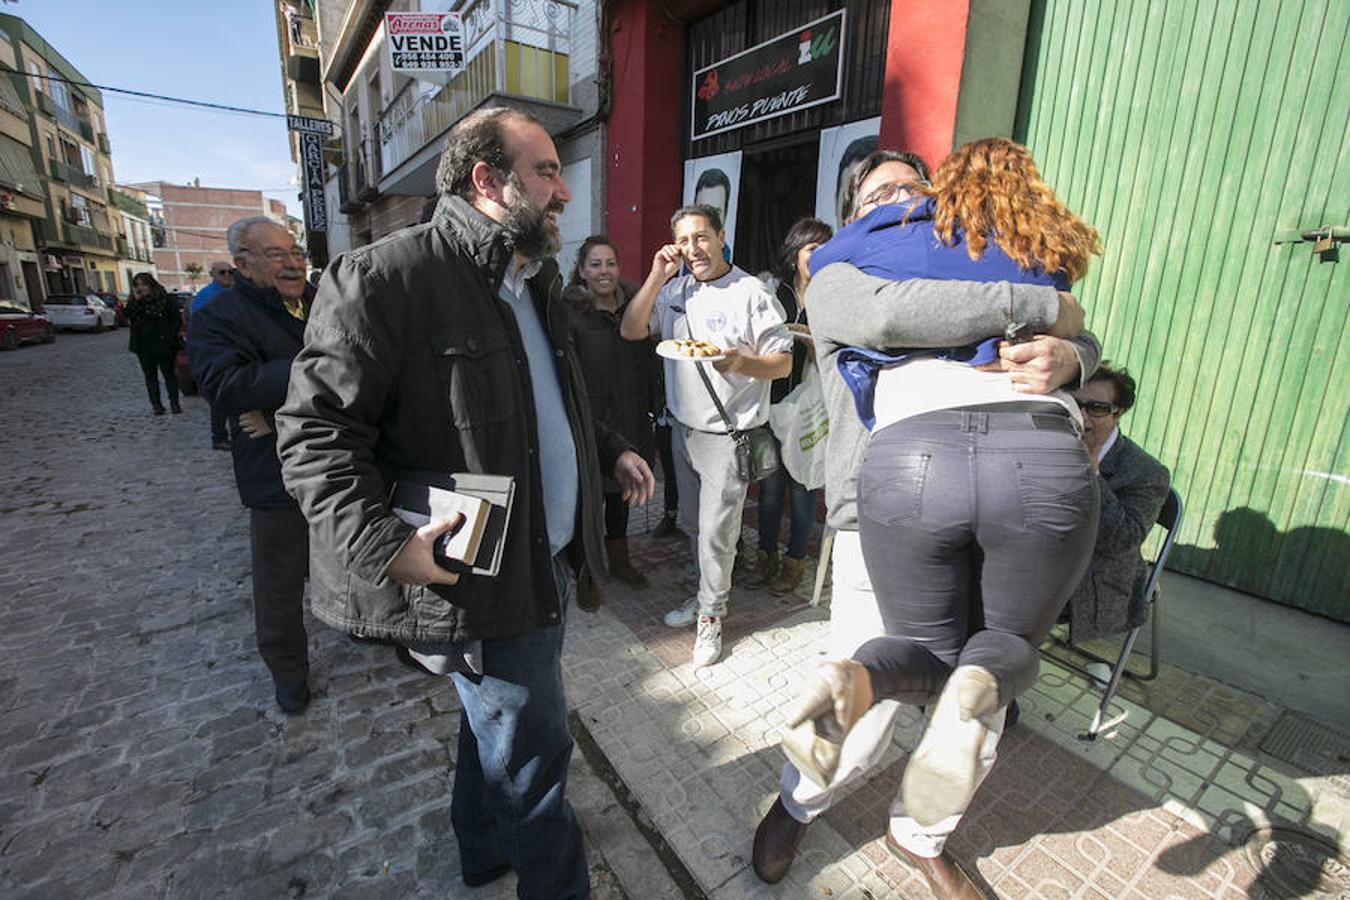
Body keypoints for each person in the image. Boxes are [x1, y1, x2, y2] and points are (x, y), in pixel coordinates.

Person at [275, 106, 654, 898]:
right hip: (478, 580)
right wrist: (382, 543)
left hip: (543, 561)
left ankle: (481, 849)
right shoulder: (388, 277)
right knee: (537, 770)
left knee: (502, 732)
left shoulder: (534, 279)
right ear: (489, 181)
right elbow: (313, 435)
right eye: (546, 172)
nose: (561, 192)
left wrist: (611, 447)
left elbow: (561, 395)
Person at [752, 147, 1102, 899]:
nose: (901, 198)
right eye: (880, 192)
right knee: (872, 717)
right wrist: (1048, 308)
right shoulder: (841, 273)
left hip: (996, 479)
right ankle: (795, 802)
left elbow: (1081, 335)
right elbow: (889, 315)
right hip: (880, 505)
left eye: (915, 186)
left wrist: (1072, 352)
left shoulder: (967, 246)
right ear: (854, 216)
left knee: (979, 700)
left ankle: (920, 834)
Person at [620, 204, 792, 667]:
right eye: (684, 240)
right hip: (682, 431)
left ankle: (712, 617)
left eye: (701, 237)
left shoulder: (750, 292)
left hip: (727, 435)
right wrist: (656, 276)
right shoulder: (675, 290)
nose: (693, 248)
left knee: (718, 534)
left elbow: (784, 362)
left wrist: (742, 363)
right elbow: (632, 328)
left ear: (719, 237)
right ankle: (703, 598)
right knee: (695, 528)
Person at [188, 217, 314, 715]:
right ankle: (288, 671)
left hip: (346, 456)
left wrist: (273, 403)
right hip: (275, 467)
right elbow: (225, 389)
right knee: (279, 580)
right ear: (242, 263)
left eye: (296, 251)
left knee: (362, 557)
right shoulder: (219, 315)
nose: (293, 262)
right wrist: (316, 366)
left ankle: (383, 633)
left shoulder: (322, 298)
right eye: (277, 254)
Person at [562, 235, 659, 591]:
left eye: (610, 264)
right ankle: (586, 570)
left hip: (629, 417)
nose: (605, 272)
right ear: (583, 271)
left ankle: (619, 562)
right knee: (586, 502)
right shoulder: (569, 312)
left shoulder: (637, 306)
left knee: (621, 498)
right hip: (590, 422)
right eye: (596, 264)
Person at [749, 217, 832, 595]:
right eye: (811, 248)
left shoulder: (832, 297)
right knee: (769, 489)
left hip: (808, 409)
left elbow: (832, 355)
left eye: (824, 248)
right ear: (795, 253)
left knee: (802, 489)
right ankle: (767, 556)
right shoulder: (774, 293)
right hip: (770, 404)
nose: (818, 256)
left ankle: (795, 562)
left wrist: (805, 336)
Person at [1067, 362, 1171, 643]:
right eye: (1076, 405)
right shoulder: (1052, 439)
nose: (1084, 418)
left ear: (1119, 412)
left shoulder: (1147, 472)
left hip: (1091, 578)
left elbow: (1121, 540)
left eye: (1097, 408)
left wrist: (1092, 476)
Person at [191, 261, 235, 449]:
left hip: (237, 349)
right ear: (213, 274)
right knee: (220, 395)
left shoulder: (237, 293)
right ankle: (219, 436)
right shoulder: (205, 297)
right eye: (222, 272)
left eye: (230, 272)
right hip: (218, 351)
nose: (227, 275)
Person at [125, 272, 183, 415]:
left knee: (169, 375)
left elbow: (175, 320)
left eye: (143, 284)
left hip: (164, 343)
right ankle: (156, 405)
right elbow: (128, 316)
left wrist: (169, 337)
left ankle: (174, 404)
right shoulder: (134, 302)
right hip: (144, 345)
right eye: (137, 285)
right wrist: (137, 301)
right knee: (150, 377)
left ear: (151, 284)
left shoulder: (165, 299)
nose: (141, 288)